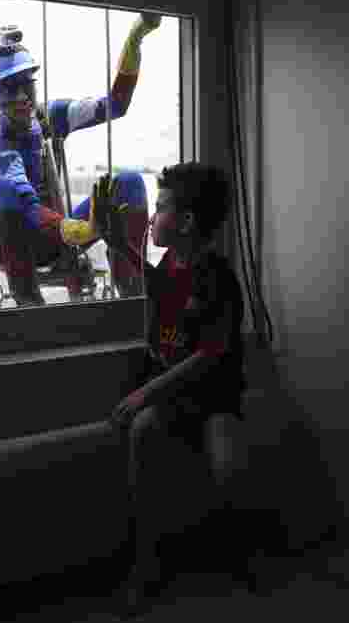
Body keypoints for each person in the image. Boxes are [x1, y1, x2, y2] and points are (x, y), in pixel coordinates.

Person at [92, 163, 245, 617]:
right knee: (142, 434)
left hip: (209, 393)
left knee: (224, 469)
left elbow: (211, 352)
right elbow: (160, 286)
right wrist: (117, 242)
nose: (153, 216)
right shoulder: (173, 263)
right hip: (173, 388)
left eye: (160, 208)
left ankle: (211, 555)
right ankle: (146, 563)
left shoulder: (214, 274)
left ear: (186, 222)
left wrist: (147, 393)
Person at [0, 14, 161, 305]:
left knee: (130, 183)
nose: (22, 96)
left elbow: (115, 105)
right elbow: (29, 208)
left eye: (26, 83)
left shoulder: (48, 117)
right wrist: (84, 229)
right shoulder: (0, 149)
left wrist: (135, 38)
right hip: (21, 244)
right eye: (10, 87)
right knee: (11, 220)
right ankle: (30, 309)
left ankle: (135, 298)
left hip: (62, 233)